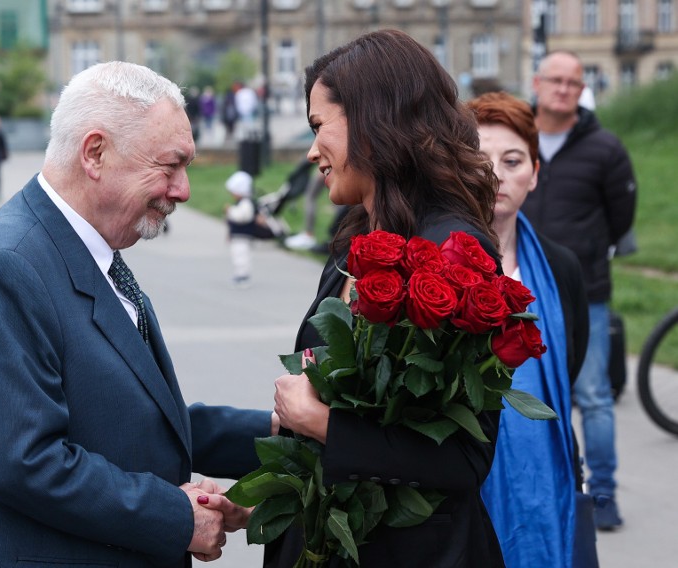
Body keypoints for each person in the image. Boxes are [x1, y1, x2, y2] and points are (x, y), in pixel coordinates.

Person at [0, 61, 276, 566]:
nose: (182, 190)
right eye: (169, 165)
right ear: (95, 153)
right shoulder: (5, 267)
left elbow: (135, 419)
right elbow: (25, 463)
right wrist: (176, 517)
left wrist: (280, 432)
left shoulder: (85, 248)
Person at [267, 29, 505, 567]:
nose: (311, 151)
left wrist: (322, 423)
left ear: (376, 119)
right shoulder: (354, 242)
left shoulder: (454, 253)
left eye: (318, 126)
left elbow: (466, 459)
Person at [468, 91, 596, 567]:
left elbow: (570, 362)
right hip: (463, 481)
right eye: (479, 159)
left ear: (535, 173)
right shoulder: (437, 265)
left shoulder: (561, 268)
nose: (497, 174)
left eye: (513, 159)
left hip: (548, 474)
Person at [521, 50, 637, 531]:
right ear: (537, 83)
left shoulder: (605, 148)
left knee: (592, 395)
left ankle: (603, 491)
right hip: (522, 291)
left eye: (574, 81)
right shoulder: (517, 138)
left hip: (585, 288)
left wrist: (588, 250)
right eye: (556, 80)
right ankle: (544, 485)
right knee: (532, 394)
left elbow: (621, 217)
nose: (564, 89)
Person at [224, 170, 273, 288]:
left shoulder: (246, 204)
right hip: (237, 235)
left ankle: (243, 275)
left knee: (242, 255)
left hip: (243, 235)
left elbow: (242, 217)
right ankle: (239, 273)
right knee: (237, 254)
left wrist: (230, 211)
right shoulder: (240, 203)